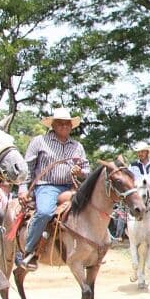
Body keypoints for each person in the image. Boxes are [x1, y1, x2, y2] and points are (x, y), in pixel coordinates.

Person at [17, 107, 90, 270]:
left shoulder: (77, 146)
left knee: (91, 209)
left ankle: (91, 250)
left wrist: (80, 172)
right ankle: (29, 251)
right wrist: (22, 188)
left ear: (72, 126)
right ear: (53, 125)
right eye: (60, 123)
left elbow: (87, 171)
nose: (64, 126)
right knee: (44, 212)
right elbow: (27, 168)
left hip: (70, 187)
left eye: (67, 124)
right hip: (46, 186)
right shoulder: (39, 141)